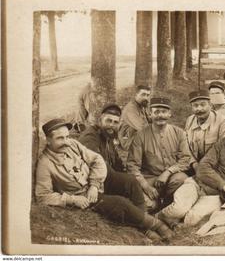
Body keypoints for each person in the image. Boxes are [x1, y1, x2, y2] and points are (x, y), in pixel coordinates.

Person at [35, 118, 174, 242]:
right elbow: (43, 196)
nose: (66, 142)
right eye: (60, 138)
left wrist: (95, 184)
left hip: (96, 183)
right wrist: (72, 199)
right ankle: (156, 225)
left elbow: (97, 159)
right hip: (84, 196)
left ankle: (143, 226)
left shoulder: (72, 144)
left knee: (130, 181)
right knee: (120, 203)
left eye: (67, 136)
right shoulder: (45, 164)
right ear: (48, 140)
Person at [157, 114, 225, 227]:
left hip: (217, 196)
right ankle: (156, 219)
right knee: (178, 209)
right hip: (197, 184)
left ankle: (173, 223)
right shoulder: (222, 144)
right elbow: (203, 167)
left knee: (192, 218)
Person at [126, 97, 191, 212]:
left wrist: (168, 172)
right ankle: (156, 207)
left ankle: (166, 203)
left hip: (172, 178)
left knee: (182, 179)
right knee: (147, 206)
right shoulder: (140, 136)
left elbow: (185, 160)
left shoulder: (179, 133)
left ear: (169, 114)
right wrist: (145, 186)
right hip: (150, 179)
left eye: (164, 112)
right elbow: (132, 166)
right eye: (156, 112)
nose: (160, 115)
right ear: (150, 115)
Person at [185, 90, 225, 173]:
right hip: (194, 166)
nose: (199, 109)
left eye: (203, 104)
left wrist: (204, 168)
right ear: (191, 107)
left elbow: (224, 149)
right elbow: (186, 147)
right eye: (195, 105)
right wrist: (194, 163)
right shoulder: (189, 120)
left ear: (210, 105)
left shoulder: (222, 120)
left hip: (216, 167)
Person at [78, 103, 125, 173]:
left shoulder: (108, 135)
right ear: (100, 120)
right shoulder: (90, 137)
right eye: (108, 121)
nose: (112, 125)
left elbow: (117, 163)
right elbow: (97, 167)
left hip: (107, 176)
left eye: (115, 122)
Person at [118, 85, 152, 151]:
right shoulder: (130, 108)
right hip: (128, 141)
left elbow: (150, 120)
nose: (146, 97)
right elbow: (142, 128)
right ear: (136, 95)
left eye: (148, 95)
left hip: (137, 138)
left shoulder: (141, 106)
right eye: (143, 94)